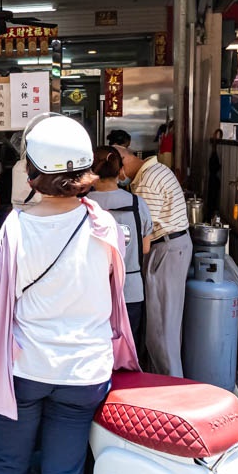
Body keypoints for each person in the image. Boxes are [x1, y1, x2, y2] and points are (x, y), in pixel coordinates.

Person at [0, 114, 140, 474]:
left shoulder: (16, 226)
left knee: (8, 466)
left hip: (25, 369)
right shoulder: (105, 225)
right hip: (84, 372)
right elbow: (112, 292)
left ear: (31, 172)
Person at [115, 144, 191, 377]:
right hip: (172, 247)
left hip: (166, 248)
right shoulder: (153, 171)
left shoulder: (148, 180)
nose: (119, 179)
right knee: (165, 321)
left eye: (116, 173)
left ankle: (168, 387)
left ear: (124, 164)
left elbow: (142, 231)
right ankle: (163, 379)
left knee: (161, 326)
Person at [89, 146, 153, 359]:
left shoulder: (83, 205)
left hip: (93, 291)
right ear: (120, 172)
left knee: (96, 353)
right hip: (131, 288)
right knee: (127, 353)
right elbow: (145, 248)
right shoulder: (137, 203)